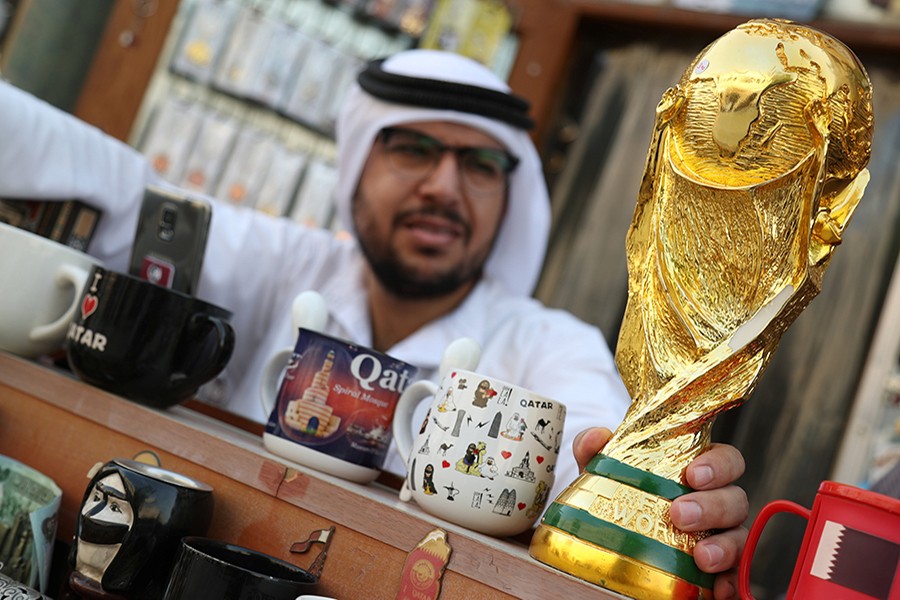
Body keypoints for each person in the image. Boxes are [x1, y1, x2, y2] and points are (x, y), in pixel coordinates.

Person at [0, 49, 747, 597]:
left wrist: (664, 506)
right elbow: (124, 193)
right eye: (414, 150)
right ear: (358, 162)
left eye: (480, 165)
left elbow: (598, 450)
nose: (444, 186)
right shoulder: (282, 262)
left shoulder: (549, 345)